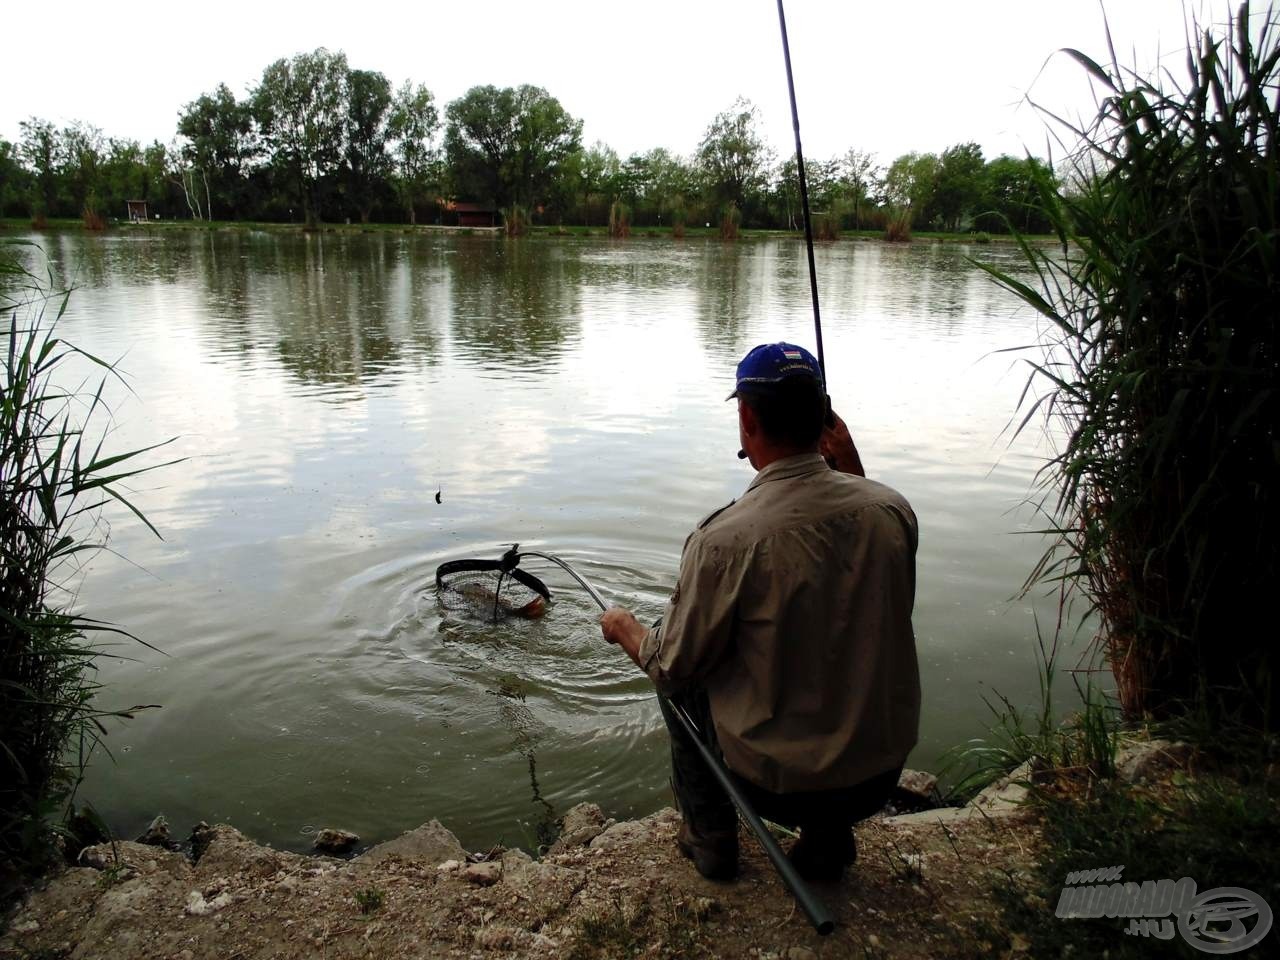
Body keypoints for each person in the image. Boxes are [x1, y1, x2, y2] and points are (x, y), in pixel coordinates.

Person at [600, 342, 920, 883]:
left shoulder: (723, 540)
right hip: (879, 776)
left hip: (777, 787)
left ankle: (712, 838)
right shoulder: (893, 510)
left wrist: (625, 626)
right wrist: (850, 464)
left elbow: (672, 664)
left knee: (680, 678)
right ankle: (827, 840)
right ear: (825, 418)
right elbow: (854, 597)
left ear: (746, 419)